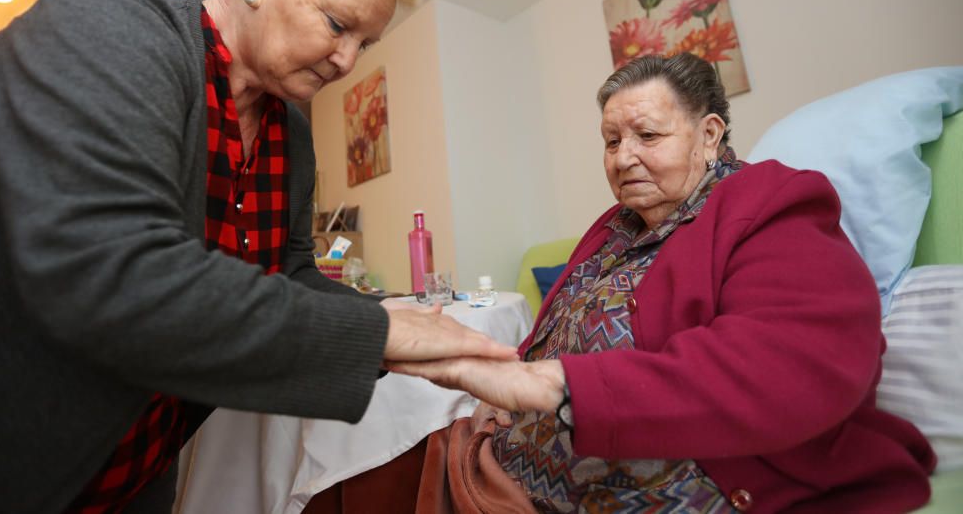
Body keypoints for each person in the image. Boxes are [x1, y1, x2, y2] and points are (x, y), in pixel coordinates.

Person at [0, 0, 517, 514]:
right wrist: (378, 332)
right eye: (338, 24)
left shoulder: (292, 134)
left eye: (365, 42)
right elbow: (112, 275)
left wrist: (419, 340)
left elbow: (290, 275)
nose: (347, 60)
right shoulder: (99, 31)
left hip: (139, 463)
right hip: (5, 460)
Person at [391, 53, 936, 512]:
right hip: (501, 462)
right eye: (610, 141)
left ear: (709, 135)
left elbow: (797, 363)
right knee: (382, 445)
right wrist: (502, 388)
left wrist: (553, 386)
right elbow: (552, 335)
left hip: (689, 487)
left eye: (647, 135)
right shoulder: (613, 226)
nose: (623, 158)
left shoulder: (771, 202)